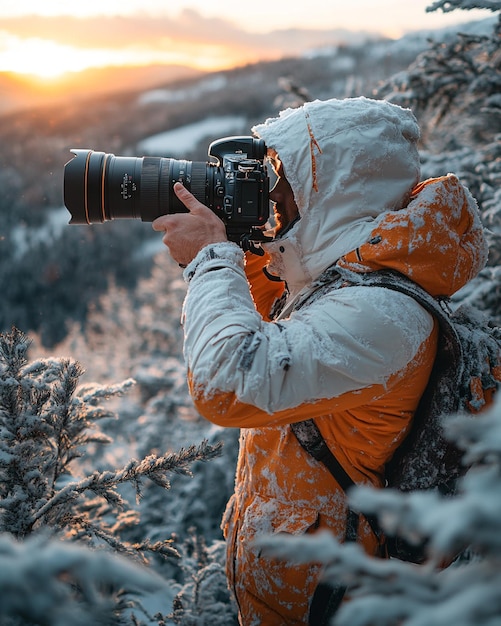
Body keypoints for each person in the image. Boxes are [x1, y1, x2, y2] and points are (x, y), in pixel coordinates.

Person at [152, 97, 488, 625]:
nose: (269, 195)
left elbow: (227, 380)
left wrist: (211, 259)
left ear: (333, 187)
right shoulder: (338, 286)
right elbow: (276, 323)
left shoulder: (383, 313)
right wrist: (247, 245)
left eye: (283, 179)